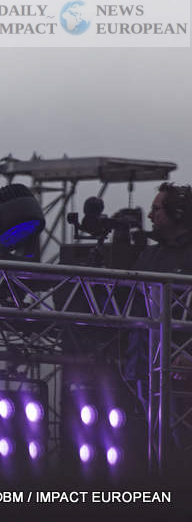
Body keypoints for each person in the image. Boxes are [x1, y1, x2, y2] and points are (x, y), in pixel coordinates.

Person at [125, 182, 192, 468]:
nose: (151, 216)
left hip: (183, 370)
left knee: (181, 447)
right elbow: (131, 307)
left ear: (178, 213)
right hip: (144, 365)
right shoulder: (150, 256)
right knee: (150, 446)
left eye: (157, 209)